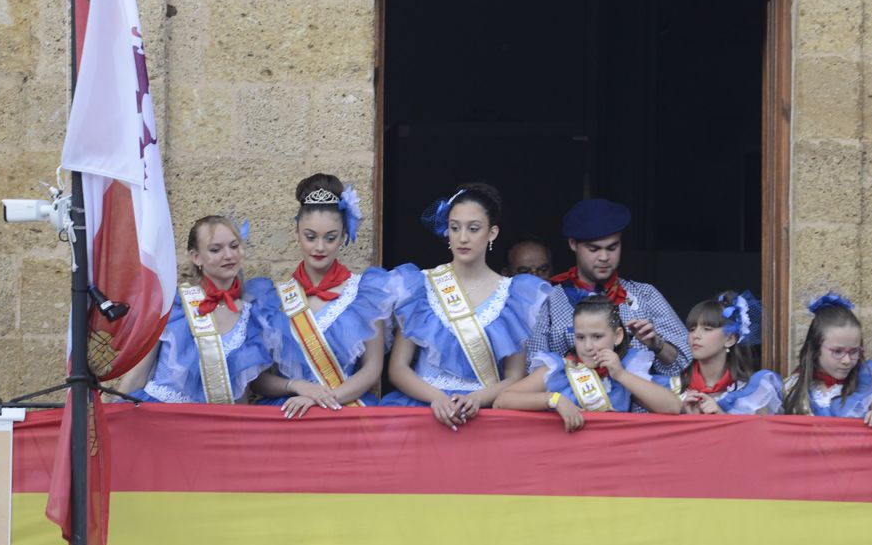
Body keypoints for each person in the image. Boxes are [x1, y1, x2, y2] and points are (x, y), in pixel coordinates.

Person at [383, 183, 550, 429]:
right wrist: (437, 397)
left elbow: (515, 376)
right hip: (425, 410)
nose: (462, 238)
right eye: (454, 228)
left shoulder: (513, 295)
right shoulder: (422, 286)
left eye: (473, 229)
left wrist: (478, 398)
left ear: (492, 233)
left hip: (483, 414)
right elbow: (398, 368)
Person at [249, 174, 395, 417]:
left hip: (344, 411)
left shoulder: (364, 293)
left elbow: (372, 369)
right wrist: (296, 387)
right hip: (290, 412)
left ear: (344, 235)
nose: (319, 247)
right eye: (310, 236)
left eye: (330, 237)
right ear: (296, 233)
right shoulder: (273, 299)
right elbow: (258, 379)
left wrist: (324, 399)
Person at [528, 197, 690, 379]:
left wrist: (657, 345)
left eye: (612, 248)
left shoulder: (646, 295)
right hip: (573, 404)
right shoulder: (551, 300)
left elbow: (689, 367)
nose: (604, 257)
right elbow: (533, 368)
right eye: (594, 249)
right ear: (573, 244)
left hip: (637, 406)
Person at [118, 215, 271, 404]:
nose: (229, 255)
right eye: (216, 249)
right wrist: (104, 422)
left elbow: (241, 392)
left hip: (213, 426)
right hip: (161, 418)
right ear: (196, 257)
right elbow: (138, 374)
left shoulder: (251, 315)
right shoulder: (174, 305)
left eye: (234, 246)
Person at [496, 295, 682, 431]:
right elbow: (502, 401)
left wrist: (621, 375)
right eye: (580, 337)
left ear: (617, 336)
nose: (588, 346)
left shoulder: (625, 371)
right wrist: (554, 400)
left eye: (597, 336)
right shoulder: (558, 369)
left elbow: (672, 407)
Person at [781, 293, 872, 427]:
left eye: (854, 351)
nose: (847, 360)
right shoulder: (792, 387)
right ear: (816, 349)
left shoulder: (867, 384)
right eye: (838, 351)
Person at [679, 291, 782, 416]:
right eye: (691, 329)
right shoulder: (674, 389)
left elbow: (763, 435)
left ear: (729, 339)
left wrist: (721, 416)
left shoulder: (755, 393)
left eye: (707, 329)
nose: (695, 335)